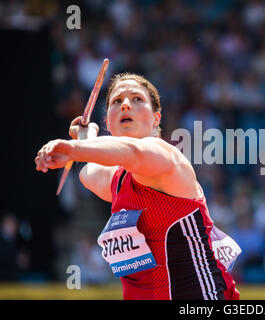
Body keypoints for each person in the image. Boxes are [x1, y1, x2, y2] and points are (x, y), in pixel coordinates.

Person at [35, 73, 240, 300]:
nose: (125, 105)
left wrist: (74, 149)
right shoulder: (118, 181)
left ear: (156, 119)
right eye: (116, 101)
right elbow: (87, 172)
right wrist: (86, 136)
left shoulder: (167, 157)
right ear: (108, 123)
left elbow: (133, 152)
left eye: (137, 99)